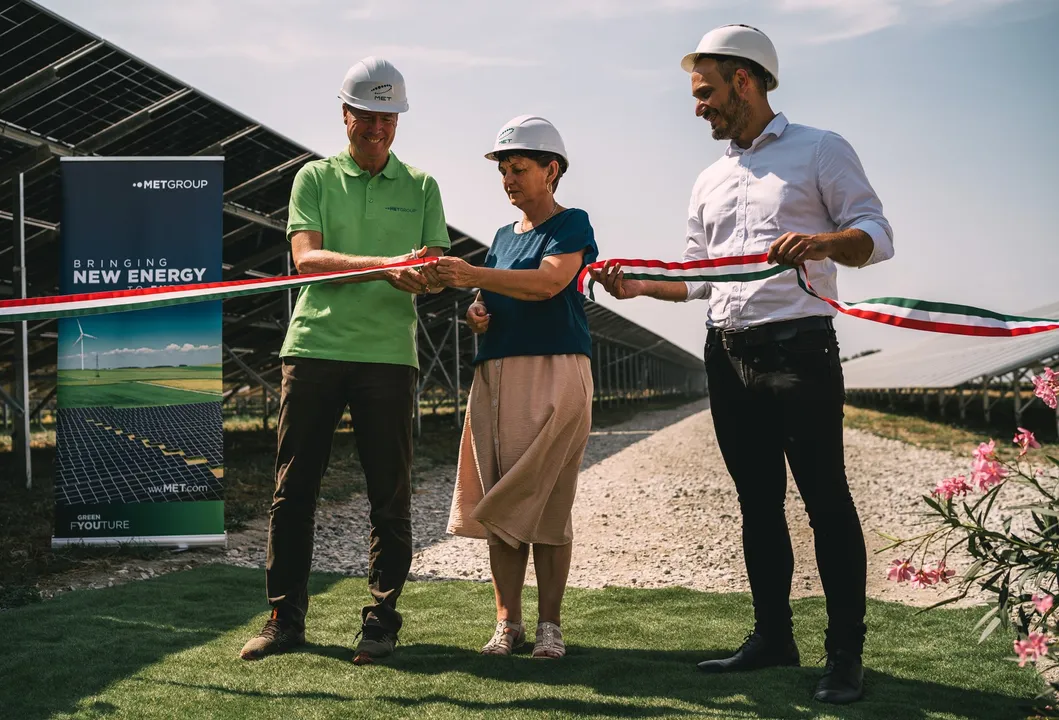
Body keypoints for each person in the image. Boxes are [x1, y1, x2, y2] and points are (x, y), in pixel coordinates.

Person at [593, 25, 893, 704]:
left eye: (705, 92)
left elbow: (876, 235)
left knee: (824, 502)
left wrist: (820, 241)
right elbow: (701, 276)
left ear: (745, 80)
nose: (698, 107)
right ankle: (771, 638)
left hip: (798, 346)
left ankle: (844, 655)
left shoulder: (820, 148)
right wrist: (638, 284)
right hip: (725, 352)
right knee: (756, 503)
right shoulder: (709, 177)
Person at [239, 56, 451, 665]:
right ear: (345, 115)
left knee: (389, 494)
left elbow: (432, 268)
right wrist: (388, 266)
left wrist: (424, 277)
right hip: (313, 350)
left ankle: (381, 623)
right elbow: (306, 260)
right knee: (293, 490)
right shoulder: (313, 178)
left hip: (388, 357)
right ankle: (285, 619)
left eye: (390, 118)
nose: (379, 129)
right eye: (368, 116)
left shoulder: (422, 187)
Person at [423, 115, 598, 660]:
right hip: (496, 373)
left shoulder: (572, 224)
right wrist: (479, 311)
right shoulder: (501, 238)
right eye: (503, 170)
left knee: (546, 497)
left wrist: (473, 275)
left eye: (519, 169)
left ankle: (550, 625)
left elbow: (549, 282)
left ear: (552, 170)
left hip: (555, 371)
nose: (508, 179)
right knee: (500, 493)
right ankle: (509, 623)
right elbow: (499, 297)